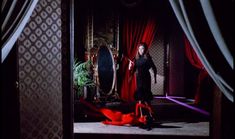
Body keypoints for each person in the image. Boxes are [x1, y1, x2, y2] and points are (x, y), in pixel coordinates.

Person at [128, 42, 157, 129]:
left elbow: (154, 68)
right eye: (140, 49)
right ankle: (141, 116)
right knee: (140, 99)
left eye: (143, 48)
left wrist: (155, 78)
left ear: (145, 49)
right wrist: (130, 69)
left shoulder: (147, 58)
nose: (141, 50)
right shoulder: (136, 59)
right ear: (138, 49)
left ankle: (151, 115)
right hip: (139, 79)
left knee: (147, 99)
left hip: (146, 79)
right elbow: (134, 69)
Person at [79, 98, 154, 130]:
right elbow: (138, 105)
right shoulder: (137, 116)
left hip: (115, 117)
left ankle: (83, 101)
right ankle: (87, 112)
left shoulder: (133, 121)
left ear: (144, 122)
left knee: (100, 110)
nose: (144, 116)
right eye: (145, 116)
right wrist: (148, 107)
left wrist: (109, 123)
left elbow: (120, 123)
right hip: (117, 114)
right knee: (101, 114)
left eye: (145, 118)